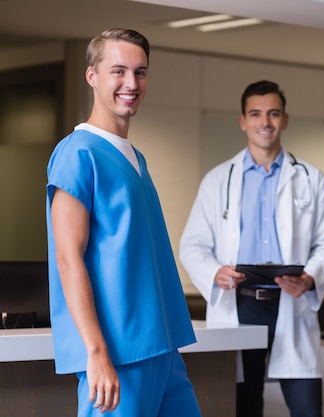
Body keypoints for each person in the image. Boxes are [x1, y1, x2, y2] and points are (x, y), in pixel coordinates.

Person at [45, 28, 202, 417]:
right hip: (118, 354)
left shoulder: (136, 158)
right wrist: (96, 353)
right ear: (92, 76)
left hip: (162, 349)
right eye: (118, 71)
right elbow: (68, 259)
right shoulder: (77, 154)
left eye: (140, 72)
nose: (131, 83)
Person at [179, 80, 324, 417]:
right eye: (255, 114)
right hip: (239, 306)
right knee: (244, 407)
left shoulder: (312, 179)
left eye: (273, 114)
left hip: (291, 303)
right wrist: (215, 272)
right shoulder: (217, 180)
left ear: (285, 119)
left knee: (307, 408)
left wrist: (310, 278)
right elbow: (192, 245)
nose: (264, 122)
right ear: (243, 121)